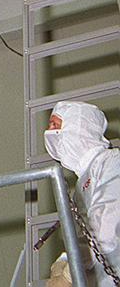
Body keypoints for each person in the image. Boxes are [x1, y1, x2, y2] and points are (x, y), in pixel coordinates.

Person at [44, 101, 120, 286]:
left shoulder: (111, 162)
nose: (50, 132)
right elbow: (83, 241)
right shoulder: (80, 188)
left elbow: (107, 227)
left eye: (56, 125)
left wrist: (68, 274)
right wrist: (63, 260)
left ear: (80, 126)